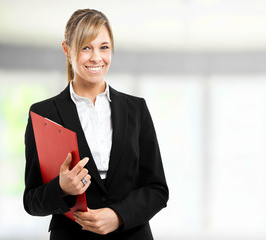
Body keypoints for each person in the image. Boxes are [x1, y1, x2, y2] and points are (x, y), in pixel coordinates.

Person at [23, 8, 169, 240]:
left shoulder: (136, 109)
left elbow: (157, 190)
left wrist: (118, 215)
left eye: (104, 47)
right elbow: (31, 201)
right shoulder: (43, 114)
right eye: (85, 47)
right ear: (66, 49)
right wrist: (60, 188)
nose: (96, 58)